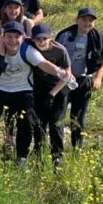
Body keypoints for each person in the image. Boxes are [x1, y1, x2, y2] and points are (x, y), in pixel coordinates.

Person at [0, 21, 74, 167]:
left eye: (16, 37)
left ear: (22, 38)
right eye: (9, 36)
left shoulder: (28, 50)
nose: (12, 40)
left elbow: (43, 64)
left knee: (27, 122)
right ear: (3, 37)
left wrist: (60, 72)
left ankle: (21, 156)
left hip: (22, 90)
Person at [56, 7, 103, 148]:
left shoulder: (98, 38)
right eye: (84, 19)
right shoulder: (65, 35)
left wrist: (98, 79)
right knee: (59, 117)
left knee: (78, 118)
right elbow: (54, 56)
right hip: (64, 80)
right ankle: (57, 150)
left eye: (91, 20)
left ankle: (77, 150)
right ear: (77, 20)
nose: (87, 23)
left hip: (84, 80)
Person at [29, 24, 70, 167]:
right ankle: (38, 156)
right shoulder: (29, 46)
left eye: (44, 39)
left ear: (50, 38)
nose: (41, 42)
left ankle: (57, 157)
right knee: (39, 124)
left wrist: (52, 94)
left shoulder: (60, 51)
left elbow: (67, 75)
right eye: (37, 39)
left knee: (56, 123)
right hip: (39, 89)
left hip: (59, 88)